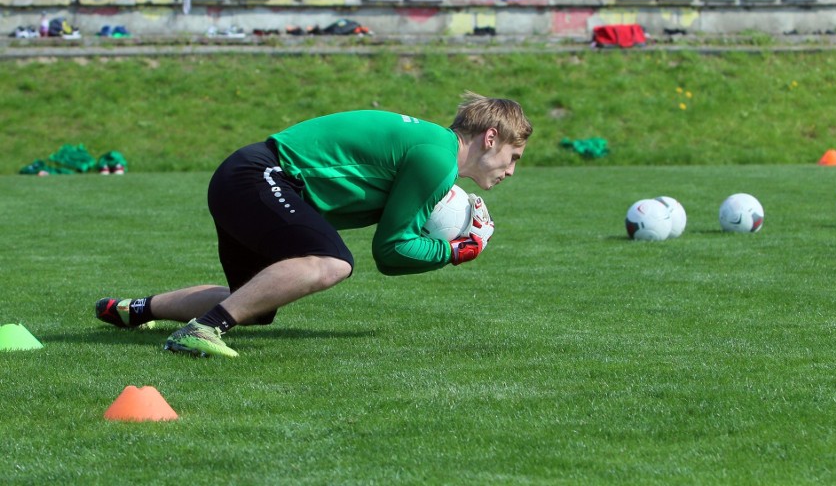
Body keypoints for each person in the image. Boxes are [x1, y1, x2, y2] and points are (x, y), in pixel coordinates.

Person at [95, 92, 533, 357]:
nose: (511, 170)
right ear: (490, 138)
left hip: (246, 175)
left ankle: (135, 310)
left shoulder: (432, 148)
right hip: (262, 176)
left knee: (254, 303)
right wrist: (457, 250)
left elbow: (396, 235)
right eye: (513, 157)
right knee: (333, 262)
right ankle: (202, 330)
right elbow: (392, 252)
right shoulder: (438, 157)